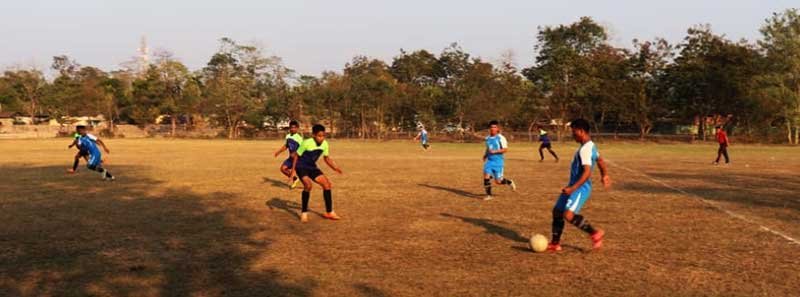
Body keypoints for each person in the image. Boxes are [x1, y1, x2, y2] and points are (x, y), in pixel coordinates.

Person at [547, 119, 611, 252]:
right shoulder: (590, 145)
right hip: (574, 185)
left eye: (574, 131)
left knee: (568, 214)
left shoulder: (585, 150)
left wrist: (572, 188)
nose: (573, 134)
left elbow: (587, 172)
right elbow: (600, 160)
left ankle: (595, 233)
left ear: (581, 131)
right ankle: (555, 243)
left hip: (580, 187)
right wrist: (604, 174)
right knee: (557, 211)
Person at [289, 124, 344, 223]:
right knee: (308, 186)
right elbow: (296, 156)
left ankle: (329, 212)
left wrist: (335, 168)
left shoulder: (325, 144)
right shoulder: (306, 143)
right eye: (319, 136)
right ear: (314, 135)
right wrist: (293, 171)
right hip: (301, 166)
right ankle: (304, 213)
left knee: (327, 185)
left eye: (323, 136)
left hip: (312, 167)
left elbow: (326, 158)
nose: (321, 138)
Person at [482, 120, 516, 201]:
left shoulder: (501, 138)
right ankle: (489, 195)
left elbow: (505, 149)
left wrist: (495, 151)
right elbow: (488, 148)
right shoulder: (487, 138)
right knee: (486, 176)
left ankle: (510, 182)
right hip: (490, 161)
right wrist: (485, 155)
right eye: (491, 127)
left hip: (498, 162)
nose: (492, 129)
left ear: (497, 128)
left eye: (494, 127)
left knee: (498, 181)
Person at [273, 120, 304, 189]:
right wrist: (278, 152)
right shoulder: (288, 136)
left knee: (302, 174)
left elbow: (302, 149)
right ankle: (295, 179)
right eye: (291, 127)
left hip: (298, 159)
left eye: (294, 128)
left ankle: (306, 185)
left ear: (297, 128)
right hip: (290, 158)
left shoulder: (299, 138)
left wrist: (296, 153)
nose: (292, 129)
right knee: (283, 169)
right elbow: (286, 145)